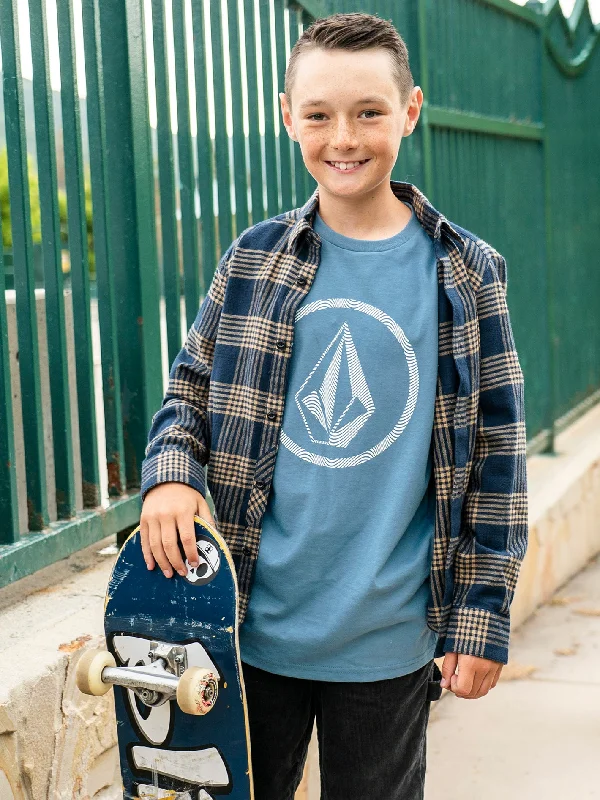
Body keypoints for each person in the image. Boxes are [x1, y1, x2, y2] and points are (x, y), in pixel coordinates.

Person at [139, 11, 528, 799]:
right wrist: (171, 475)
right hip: (246, 631)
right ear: (288, 117)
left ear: (410, 111)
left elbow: (498, 453)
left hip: (385, 642)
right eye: (318, 115)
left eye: (369, 113)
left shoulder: (466, 273)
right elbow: (189, 388)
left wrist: (480, 615)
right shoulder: (253, 259)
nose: (342, 137)